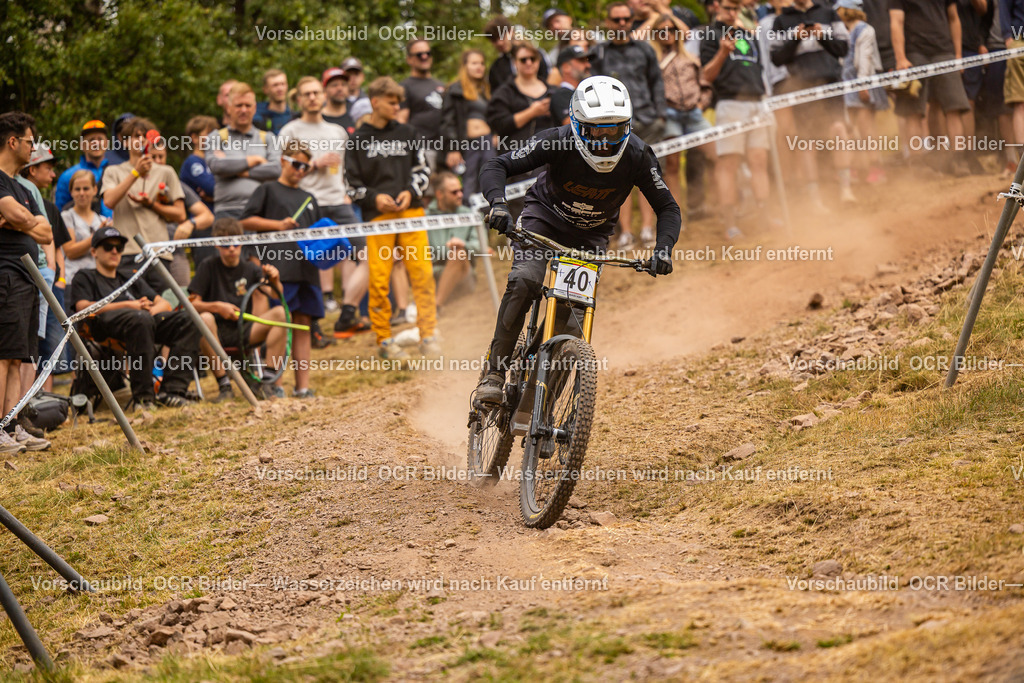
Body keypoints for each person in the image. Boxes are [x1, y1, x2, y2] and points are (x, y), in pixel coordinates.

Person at [474, 76, 679, 402]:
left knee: (572, 323)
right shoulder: (557, 140)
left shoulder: (638, 154)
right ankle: (495, 372)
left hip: (591, 237)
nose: (603, 139)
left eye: (612, 129)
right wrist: (498, 204)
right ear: (576, 123)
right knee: (526, 279)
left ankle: (544, 410)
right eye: (594, 129)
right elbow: (498, 165)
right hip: (544, 223)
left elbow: (667, 207)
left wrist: (663, 249)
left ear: (626, 126)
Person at [346, 77, 440, 361]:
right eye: (391, 102)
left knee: (422, 275)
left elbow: (423, 169)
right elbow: (351, 185)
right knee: (378, 279)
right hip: (378, 218)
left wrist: (411, 191)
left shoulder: (408, 132)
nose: (397, 106)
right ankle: (384, 338)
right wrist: (374, 197)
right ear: (375, 101)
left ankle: (429, 335)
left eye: (399, 102)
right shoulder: (356, 140)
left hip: (411, 213)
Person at [69, 227, 199, 409]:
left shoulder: (129, 276)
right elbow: (82, 307)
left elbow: (164, 303)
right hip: (103, 326)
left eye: (119, 247)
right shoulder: (85, 276)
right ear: (93, 252)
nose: (115, 251)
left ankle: (171, 391)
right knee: (139, 319)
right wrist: (130, 305)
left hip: (144, 322)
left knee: (188, 319)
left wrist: (149, 310)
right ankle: (144, 399)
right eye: (108, 246)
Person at [278, 76, 369, 337]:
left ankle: (348, 312)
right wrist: (314, 164)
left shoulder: (337, 131)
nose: (312, 97)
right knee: (307, 264)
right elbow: (280, 169)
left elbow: (347, 170)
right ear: (298, 99)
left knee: (364, 253)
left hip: (338, 200)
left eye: (316, 93)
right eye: (306, 94)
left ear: (323, 96)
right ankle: (313, 324)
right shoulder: (290, 131)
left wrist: (348, 193)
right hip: (305, 202)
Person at [240, 139, 321, 398]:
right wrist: (278, 225)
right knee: (282, 320)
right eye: (296, 164)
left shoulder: (309, 198)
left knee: (303, 323)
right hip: (280, 269)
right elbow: (246, 221)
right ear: (283, 161)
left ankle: (303, 386)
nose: (300, 170)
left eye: (306, 167)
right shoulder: (267, 189)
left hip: (307, 269)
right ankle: (276, 383)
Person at [593, 2, 668, 247]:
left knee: (649, 176)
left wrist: (660, 115)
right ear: (608, 23)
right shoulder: (600, 53)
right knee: (619, 179)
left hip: (648, 121)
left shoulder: (645, 49)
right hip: (615, 128)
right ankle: (625, 232)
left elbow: (657, 81)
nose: (622, 24)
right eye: (617, 20)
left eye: (626, 19)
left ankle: (648, 229)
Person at [188, 218, 288, 401]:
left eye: (235, 242)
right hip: (215, 333)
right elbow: (191, 304)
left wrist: (275, 280)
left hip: (244, 330)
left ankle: (266, 382)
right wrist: (217, 307)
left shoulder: (250, 268)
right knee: (205, 318)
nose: (232, 248)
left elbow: (276, 295)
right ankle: (225, 386)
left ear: (242, 242)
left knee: (280, 313)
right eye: (225, 244)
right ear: (217, 245)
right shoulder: (208, 266)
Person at [702, 0, 777, 239]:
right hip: (729, 102)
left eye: (735, 7)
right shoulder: (710, 35)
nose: (732, 11)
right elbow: (706, 76)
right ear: (716, 7)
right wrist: (723, 51)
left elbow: (760, 70)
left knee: (758, 160)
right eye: (727, 7)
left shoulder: (749, 34)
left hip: (756, 101)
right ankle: (730, 222)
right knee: (728, 164)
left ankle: (765, 215)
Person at [0, 112, 52, 453]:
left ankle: (12, 424)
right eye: (31, 141)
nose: (34, 147)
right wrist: (21, 219)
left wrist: (18, 221)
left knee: (19, 355)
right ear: (12, 141)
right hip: (5, 273)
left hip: (28, 277)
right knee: (2, 355)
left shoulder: (23, 188)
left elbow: (45, 232)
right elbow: (16, 214)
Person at [772, 0, 855, 205]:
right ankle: (815, 198)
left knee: (838, 130)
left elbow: (843, 48)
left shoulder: (828, 13)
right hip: (801, 88)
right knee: (806, 142)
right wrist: (795, 39)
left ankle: (846, 189)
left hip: (830, 83)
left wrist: (822, 36)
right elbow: (776, 57)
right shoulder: (781, 20)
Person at [100, 118, 186, 287]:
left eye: (143, 136)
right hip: (127, 253)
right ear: (125, 142)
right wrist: (136, 173)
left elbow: (181, 214)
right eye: (135, 136)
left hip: (159, 254)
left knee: (163, 308)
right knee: (133, 307)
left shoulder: (165, 171)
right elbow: (109, 201)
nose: (140, 140)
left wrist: (151, 205)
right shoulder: (113, 171)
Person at [890, 0, 972, 174]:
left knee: (954, 107)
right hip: (914, 53)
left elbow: (954, 18)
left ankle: (958, 160)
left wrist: (957, 55)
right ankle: (917, 163)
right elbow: (896, 21)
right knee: (913, 110)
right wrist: (900, 58)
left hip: (944, 51)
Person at [649, 11, 716, 218]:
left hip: (694, 114)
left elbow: (705, 84)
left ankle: (721, 203)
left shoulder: (690, 58)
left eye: (670, 30)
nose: (666, 34)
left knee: (716, 155)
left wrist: (701, 103)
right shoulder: (652, 61)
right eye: (661, 31)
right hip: (670, 115)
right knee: (672, 166)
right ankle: (674, 214)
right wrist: (661, 112)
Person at [20, 144, 74, 391]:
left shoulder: (50, 207)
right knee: (27, 345)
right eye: (48, 168)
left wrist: (55, 275)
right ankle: (22, 407)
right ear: (32, 170)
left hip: (51, 283)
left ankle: (46, 401)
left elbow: (58, 243)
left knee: (50, 345)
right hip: (25, 279)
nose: (53, 175)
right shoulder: (16, 199)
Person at [486, 42, 558, 218]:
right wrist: (531, 112)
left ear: (538, 61)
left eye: (532, 59)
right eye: (523, 59)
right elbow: (498, 124)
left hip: (551, 163)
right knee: (524, 215)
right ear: (515, 63)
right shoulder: (504, 93)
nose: (528, 63)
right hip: (519, 163)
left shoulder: (553, 91)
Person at [206, 82, 283, 223]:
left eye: (248, 106)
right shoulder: (216, 137)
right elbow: (217, 166)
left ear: (254, 109)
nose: (243, 110)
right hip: (227, 211)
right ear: (228, 108)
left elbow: (276, 169)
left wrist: (237, 170)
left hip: (262, 210)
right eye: (238, 105)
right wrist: (253, 160)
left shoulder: (268, 138)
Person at [838, 0, 889, 184]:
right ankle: (856, 168)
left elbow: (865, 59)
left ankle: (876, 168)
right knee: (850, 129)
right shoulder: (843, 32)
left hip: (861, 82)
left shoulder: (865, 30)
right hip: (846, 84)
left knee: (867, 129)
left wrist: (863, 84)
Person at [441, 49, 497, 200]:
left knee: (489, 178)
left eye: (481, 63)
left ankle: (490, 220)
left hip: (487, 141)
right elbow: (448, 121)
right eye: (474, 63)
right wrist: (452, 148)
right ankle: (469, 222)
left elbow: (494, 116)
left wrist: (496, 133)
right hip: (467, 144)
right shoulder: (455, 90)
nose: (479, 66)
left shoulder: (486, 90)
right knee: (468, 184)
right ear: (465, 66)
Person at [425, 172, 482, 310]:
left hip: (463, 277)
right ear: (439, 194)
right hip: (432, 276)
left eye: (461, 190)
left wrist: (464, 245)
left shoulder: (470, 215)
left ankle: (436, 307)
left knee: (458, 253)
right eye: (454, 192)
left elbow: (480, 247)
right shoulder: (423, 217)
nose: (460, 195)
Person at [397, 39, 447, 172]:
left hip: (445, 150)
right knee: (426, 191)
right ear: (409, 59)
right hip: (422, 149)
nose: (424, 57)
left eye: (427, 53)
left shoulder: (441, 85)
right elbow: (401, 122)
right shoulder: (404, 86)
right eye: (419, 54)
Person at [61, 170, 109, 291]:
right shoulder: (67, 217)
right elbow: (70, 251)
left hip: (98, 281)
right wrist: (97, 235)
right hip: (73, 281)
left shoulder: (101, 220)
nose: (82, 193)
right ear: (71, 192)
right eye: (77, 189)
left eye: (86, 188)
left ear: (95, 190)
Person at [54, 119, 111, 216]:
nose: (96, 143)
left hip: (113, 229)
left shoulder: (114, 171)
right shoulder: (68, 176)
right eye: (91, 140)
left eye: (100, 139)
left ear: (107, 143)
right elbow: (60, 213)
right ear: (82, 145)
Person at [180, 115, 218, 209]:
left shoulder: (216, 161)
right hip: (201, 219)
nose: (214, 137)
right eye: (209, 133)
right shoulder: (193, 162)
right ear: (195, 138)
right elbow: (211, 187)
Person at [550, 45, 594, 125]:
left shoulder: (587, 93)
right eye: (582, 61)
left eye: (587, 61)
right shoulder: (561, 95)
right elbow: (573, 125)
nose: (588, 65)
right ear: (566, 67)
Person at [254, 69, 294, 134]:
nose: (280, 89)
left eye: (283, 84)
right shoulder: (257, 118)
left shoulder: (294, 117)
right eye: (275, 85)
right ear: (265, 89)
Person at [321, 67, 357, 135]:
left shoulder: (355, 116)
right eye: (334, 85)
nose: (340, 88)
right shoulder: (317, 118)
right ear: (324, 89)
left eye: (343, 84)